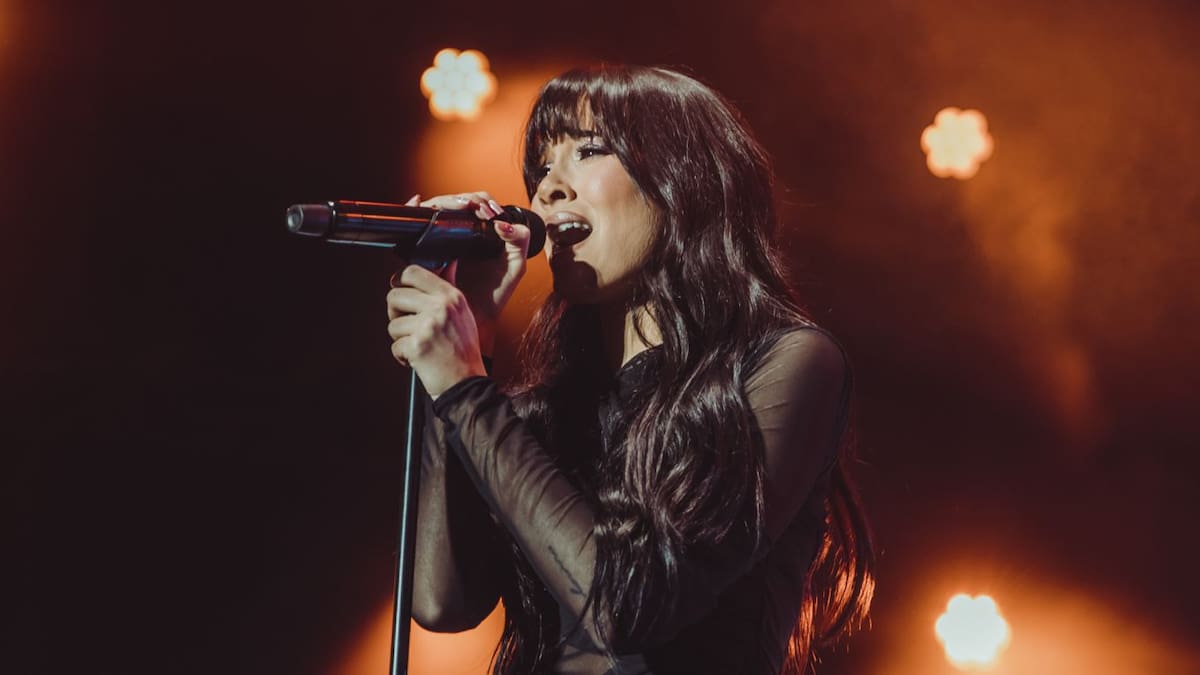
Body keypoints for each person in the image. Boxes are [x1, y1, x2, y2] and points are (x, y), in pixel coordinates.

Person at [385, 64, 874, 675]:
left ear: (685, 180)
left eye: (589, 151)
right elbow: (444, 602)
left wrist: (464, 389)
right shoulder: (548, 410)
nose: (547, 189)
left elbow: (627, 608)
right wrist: (470, 348)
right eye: (541, 166)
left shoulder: (787, 363)